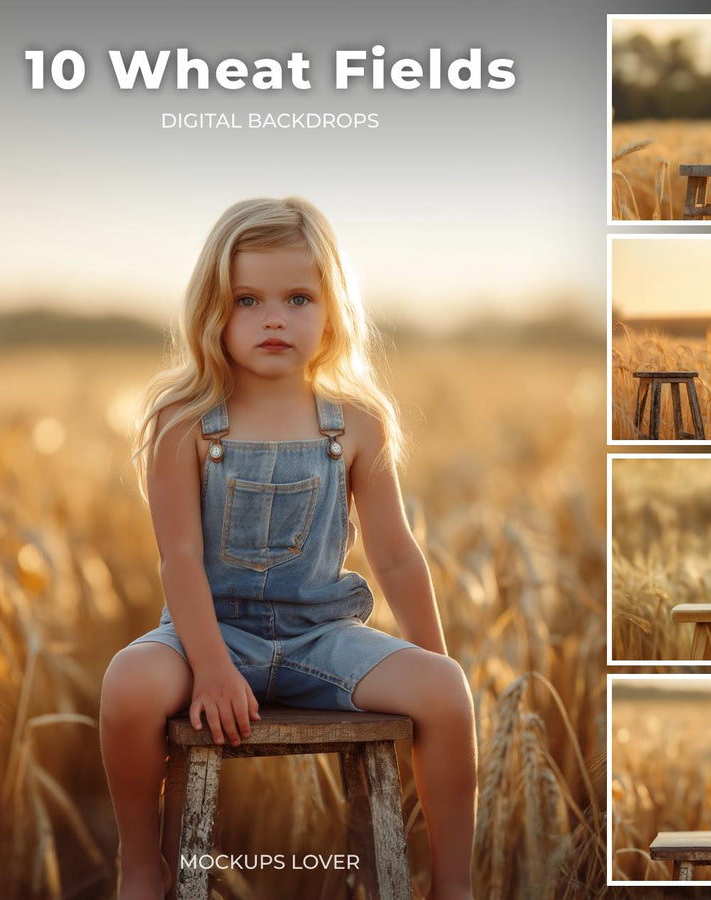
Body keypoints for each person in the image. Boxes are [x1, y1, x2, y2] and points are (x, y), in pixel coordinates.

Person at [100, 197, 477, 900]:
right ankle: (140, 862)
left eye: (298, 297)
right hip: (208, 636)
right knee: (127, 683)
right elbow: (179, 557)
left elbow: (395, 554)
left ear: (332, 311)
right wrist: (210, 668)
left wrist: (429, 655)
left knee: (448, 691)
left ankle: (454, 883)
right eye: (248, 299)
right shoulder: (183, 424)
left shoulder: (357, 425)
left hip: (321, 638)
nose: (274, 317)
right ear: (212, 311)